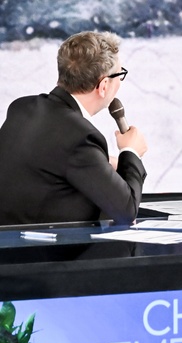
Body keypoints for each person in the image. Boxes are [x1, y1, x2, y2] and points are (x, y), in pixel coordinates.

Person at [0, 31, 148, 226]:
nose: (119, 82)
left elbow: (53, 155)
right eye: (120, 75)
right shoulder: (81, 137)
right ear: (103, 85)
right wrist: (131, 152)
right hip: (48, 244)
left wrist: (102, 161)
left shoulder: (21, 108)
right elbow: (126, 211)